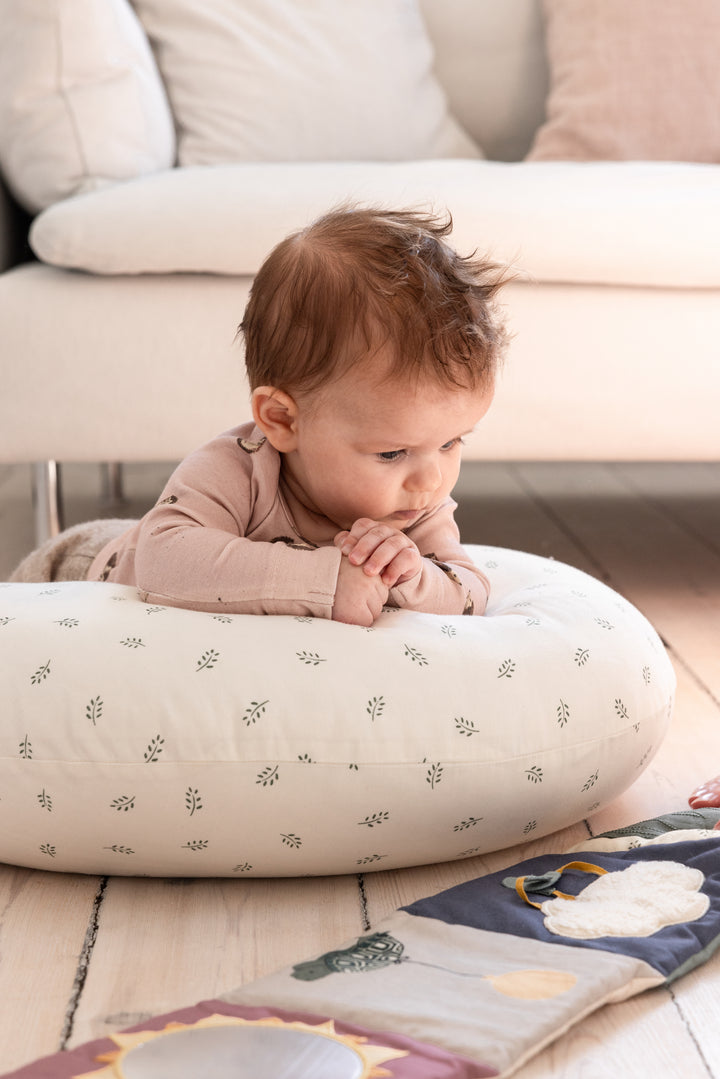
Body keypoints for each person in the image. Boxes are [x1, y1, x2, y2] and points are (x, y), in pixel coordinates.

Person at [11, 206, 510, 627]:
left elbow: (468, 590)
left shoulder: (413, 506)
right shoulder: (237, 467)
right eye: (391, 452)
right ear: (282, 421)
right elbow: (162, 560)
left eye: (451, 442)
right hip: (82, 564)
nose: (432, 479)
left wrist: (414, 578)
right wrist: (324, 579)